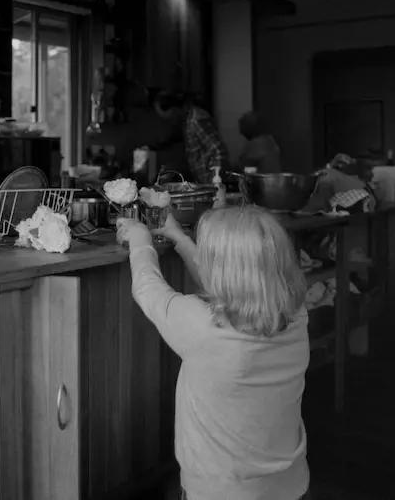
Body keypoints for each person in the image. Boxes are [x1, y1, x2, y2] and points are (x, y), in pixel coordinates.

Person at [116, 207, 310, 500]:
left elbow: (147, 287)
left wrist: (140, 239)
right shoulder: (296, 315)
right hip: (291, 486)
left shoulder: (202, 325)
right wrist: (179, 239)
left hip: (219, 492)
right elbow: (238, 288)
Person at [150, 90, 231, 184]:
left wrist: (215, 181)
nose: (169, 121)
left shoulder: (196, 120)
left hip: (213, 186)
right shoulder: (185, 122)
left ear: (175, 108)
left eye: (168, 116)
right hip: (203, 184)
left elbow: (219, 151)